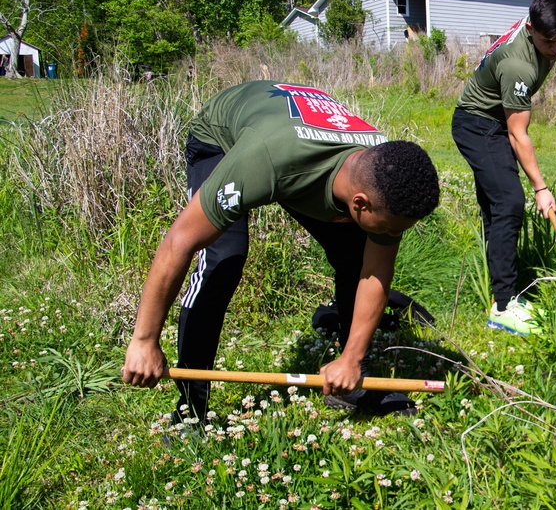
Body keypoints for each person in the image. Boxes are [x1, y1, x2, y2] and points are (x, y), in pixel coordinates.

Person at [122, 80, 440, 419]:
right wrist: (144, 340)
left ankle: (350, 381)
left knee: (356, 256)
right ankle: (190, 409)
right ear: (359, 205)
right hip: (225, 137)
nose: (394, 237)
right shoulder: (268, 160)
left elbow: (374, 271)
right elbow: (179, 242)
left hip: (299, 151)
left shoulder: (386, 175)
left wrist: (351, 359)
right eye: (391, 229)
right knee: (224, 258)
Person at [451, 0, 556, 335]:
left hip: (492, 119)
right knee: (509, 202)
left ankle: (504, 296)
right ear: (532, 29)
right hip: (478, 124)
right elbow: (518, 133)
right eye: (549, 42)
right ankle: (504, 306)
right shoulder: (518, 64)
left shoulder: (540, 29)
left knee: (497, 208)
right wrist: (541, 187)